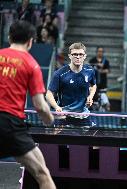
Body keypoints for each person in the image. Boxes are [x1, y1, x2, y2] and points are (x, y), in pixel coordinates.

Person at [0, 21, 56, 189]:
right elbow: (40, 106)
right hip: (11, 125)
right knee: (42, 174)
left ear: (9, 37)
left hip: (10, 124)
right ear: (31, 41)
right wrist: (50, 120)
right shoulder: (32, 65)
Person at [46, 42, 97, 127]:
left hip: (83, 116)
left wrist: (90, 96)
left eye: (81, 54)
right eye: (75, 54)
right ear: (70, 56)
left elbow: (93, 85)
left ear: (85, 56)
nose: (78, 57)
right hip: (64, 115)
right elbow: (49, 94)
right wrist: (56, 107)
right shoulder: (59, 74)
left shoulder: (90, 71)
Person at [88, 46, 110, 111]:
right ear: (96, 52)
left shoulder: (105, 61)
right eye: (99, 51)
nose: (100, 53)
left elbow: (108, 70)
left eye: (101, 52)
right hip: (94, 84)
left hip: (102, 84)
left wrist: (100, 70)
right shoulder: (92, 60)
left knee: (105, 103)